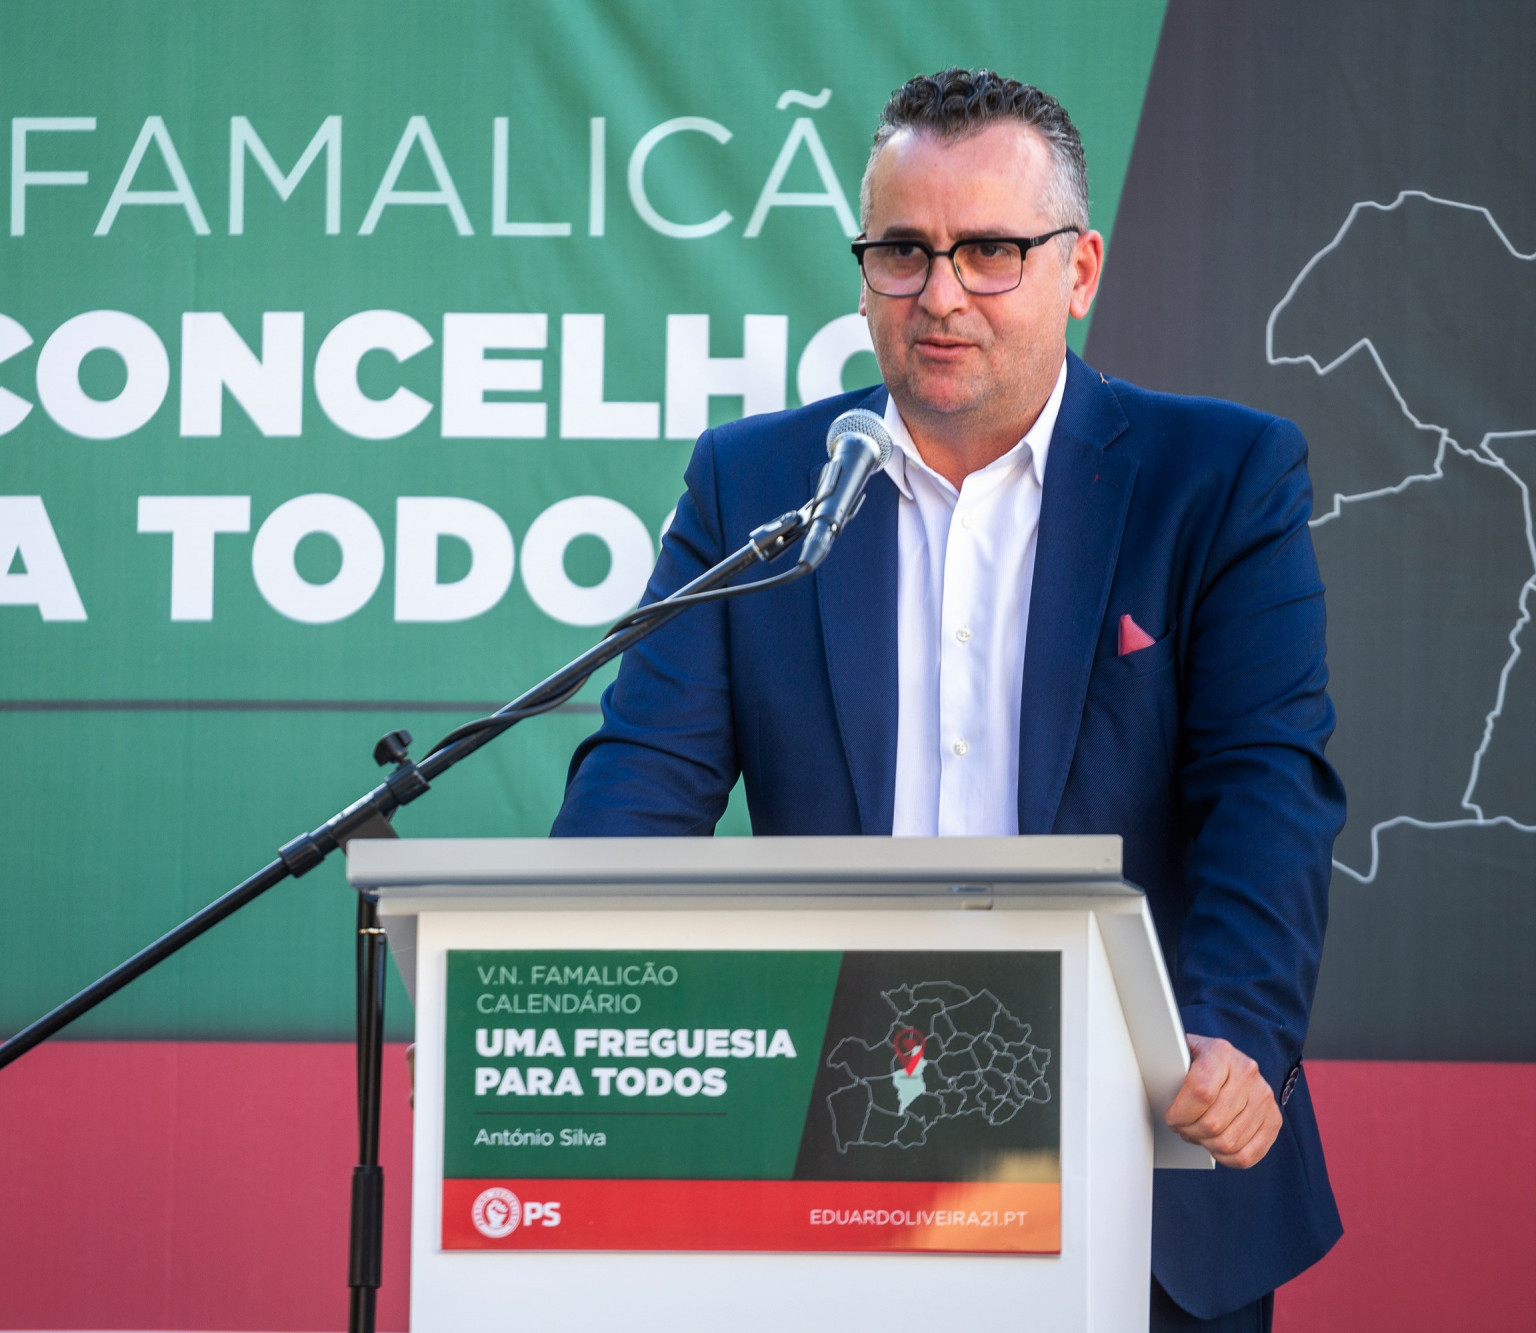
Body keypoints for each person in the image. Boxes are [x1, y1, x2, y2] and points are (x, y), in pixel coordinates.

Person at [552, 68, 1343, 1331]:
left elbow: (1267, 786)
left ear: (1077, 270)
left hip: (1137, 1150)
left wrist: (1232, 1029)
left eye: (988, 251)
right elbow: (643, 779)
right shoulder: (758, 483)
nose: (938, 294)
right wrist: (542, 1003)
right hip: (830, 1149)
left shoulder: (1218, 475)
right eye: (901, 251)